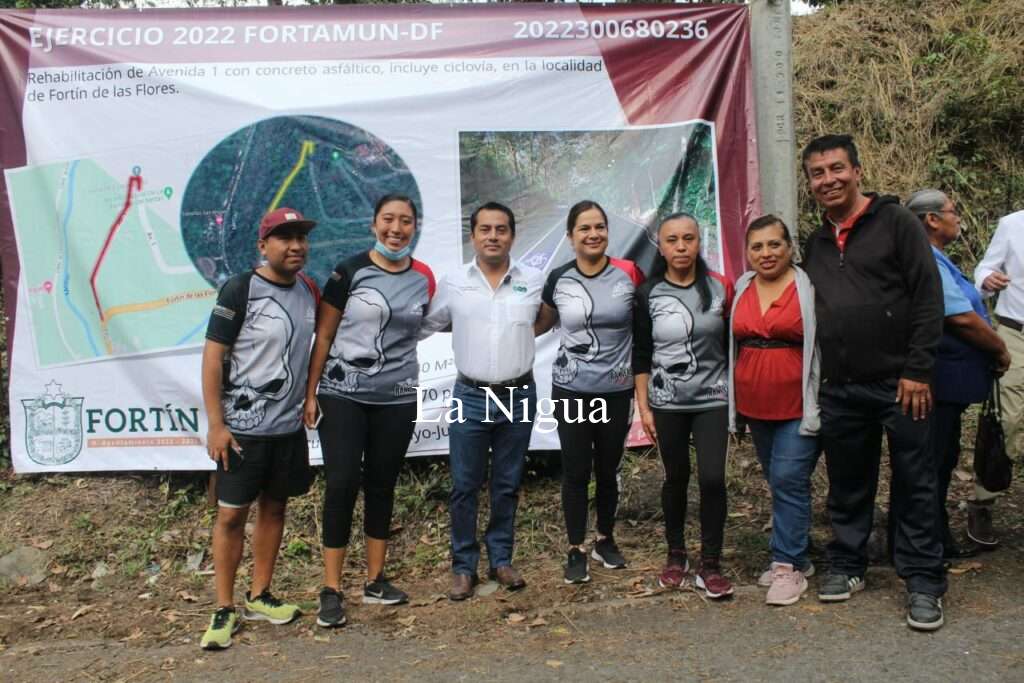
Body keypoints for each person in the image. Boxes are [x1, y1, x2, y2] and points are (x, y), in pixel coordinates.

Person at [800, 134, 946, 631]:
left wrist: (918, 369)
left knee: (916, 482)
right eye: (818, 174)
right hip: (841, 387)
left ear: (857, 171)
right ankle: (847, 562)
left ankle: (924, 580)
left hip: (901, 383)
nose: (828, 180)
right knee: (847, 482)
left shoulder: (896, 223)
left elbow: (928, 298)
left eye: (836, 169)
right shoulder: (815, 241)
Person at [303, 195, 435, 628]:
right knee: (341, 483)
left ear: (415, 227)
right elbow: (323, 336)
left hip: (397, 398)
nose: (396, 228)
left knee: (382, 485)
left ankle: (376, 580)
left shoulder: (424, 278)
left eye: (406, 221)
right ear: (374, 223)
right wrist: (310, 393)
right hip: (342, 395)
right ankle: (332, 588)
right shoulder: (349, 270)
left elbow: (428, 324)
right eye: (388, 220)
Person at [199, 207, 319, 650]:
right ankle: (224, 607)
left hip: (287, 429)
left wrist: (309, 396)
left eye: (301, 238)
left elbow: (312, 351)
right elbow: (213, 358)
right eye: (284, 238)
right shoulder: (240, 289)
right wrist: (217, 424)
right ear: (262, 245)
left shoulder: (309, 289)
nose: (295, 246)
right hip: (242, 430)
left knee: (275, 508)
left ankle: (260, 594)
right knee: (231, 515)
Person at [421, 202, 544, 601]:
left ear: (512, 235)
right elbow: (428, 323)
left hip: (519, 393)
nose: (493, 236)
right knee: (464, 485)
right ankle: (463, 567)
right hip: (470, 395)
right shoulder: (454, 282)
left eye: (501, 229)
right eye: (485, 229)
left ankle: (501, 560)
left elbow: (545, 319)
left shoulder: (533, 279)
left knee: (507, 484)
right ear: (473, 235)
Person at [534, 200, 645, 584]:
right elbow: (539, 324)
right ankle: (576, 548)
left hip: (616, 391)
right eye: (584, 228)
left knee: (608, 468)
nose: (593, 234)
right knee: (576, 469)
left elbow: (645, 330)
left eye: (599, 227)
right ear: (570, 237)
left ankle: (605, 539)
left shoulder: (629, 273)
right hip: (571, 390)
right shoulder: (559, 279)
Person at [633, 212, 735, 600]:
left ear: (698, 242)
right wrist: (644, 408)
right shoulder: (648, 294)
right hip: (667, 403)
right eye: (672, 239)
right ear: (661, 245)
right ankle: (676, 555)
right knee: (676, 478)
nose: (680, 246)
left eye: (688, 238)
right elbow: (641, 355)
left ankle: (711, 563)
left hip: (712, 401)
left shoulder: (720, 288)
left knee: (712, 480)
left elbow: (730, 347)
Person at [906, 190, 1010, 560]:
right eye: (953, 211)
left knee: (941, 459)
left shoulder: (938, 258)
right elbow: (960, 317)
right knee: (931, 463)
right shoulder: (927, 260)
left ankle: (935, 539)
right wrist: (998, 347)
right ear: (932, 219)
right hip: (937, 382)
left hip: (951, 383)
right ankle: (928, 545)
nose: (958, 218)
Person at [727, 215, 820, 606]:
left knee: (787, 478)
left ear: (789, 247)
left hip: (799, 402)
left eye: (774, 244)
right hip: (754, 405)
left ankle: (786, 566)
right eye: (757, 247)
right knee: (778, 479)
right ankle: (797, 552)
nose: (766, 253)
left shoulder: (808, 287)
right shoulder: (743, 286)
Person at [972, 207, 1024, 547]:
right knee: (1006, 419)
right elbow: (985, 269)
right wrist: (987, 280)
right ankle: (983, 501)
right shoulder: (1012, 224)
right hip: (1015, 333)